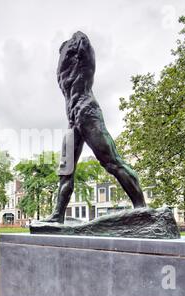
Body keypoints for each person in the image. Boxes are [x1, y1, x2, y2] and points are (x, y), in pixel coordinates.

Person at [44, 31, 146, 224]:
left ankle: (141, 208)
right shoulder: (63, 65)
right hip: (72, 119)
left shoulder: (81, 47)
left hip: (86, 110)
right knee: (65, 171)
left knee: (112, 162)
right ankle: (58, 215)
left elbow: (83, 42)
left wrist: (74, 42)